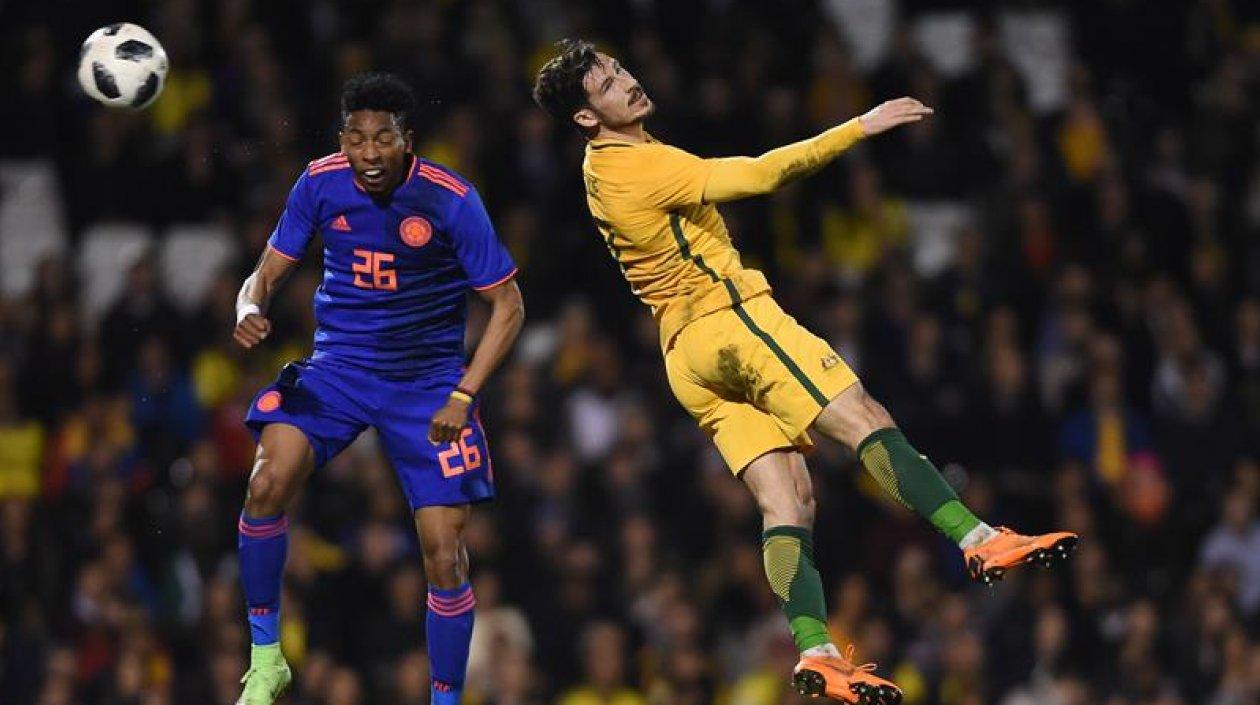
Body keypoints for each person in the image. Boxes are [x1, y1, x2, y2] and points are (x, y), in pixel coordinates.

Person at [533, 40, 1076, 705]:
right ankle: (979, 537)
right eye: (608, 84)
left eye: (620, 69)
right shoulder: (640, 165)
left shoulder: (599, 168)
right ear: (586, 118)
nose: (629, 82)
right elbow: (761, 175)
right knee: (864, 417)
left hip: (683, 358)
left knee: (788, 498)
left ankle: (816, 649)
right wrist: (858, 126)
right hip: (731, 321)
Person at [232, 72, 524, 705]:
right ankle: (265, 658)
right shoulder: (318, 182)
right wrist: (246, 309)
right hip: (339, 369)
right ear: (343, 138)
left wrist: (465, 393)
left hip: (427, 386)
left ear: (406, 140)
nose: (368, 154)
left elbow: (508, 306)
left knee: (444, 553)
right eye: (356, 138)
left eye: (382, 139)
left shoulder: (450, 199)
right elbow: (265, 271)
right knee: (265, 482)